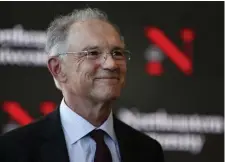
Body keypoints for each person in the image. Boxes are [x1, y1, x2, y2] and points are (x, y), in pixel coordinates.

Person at [0, 8, 164, 162]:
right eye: (93, 53)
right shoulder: (13, 151)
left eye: (117, 53)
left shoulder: (148, 151)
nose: (112, 64)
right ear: (58, 68)